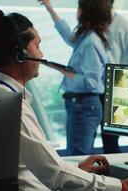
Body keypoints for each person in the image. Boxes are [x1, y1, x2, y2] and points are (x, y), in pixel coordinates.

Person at [0, 7, 128, 191]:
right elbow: (55, 174)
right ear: (21, 54)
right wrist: (124, 185)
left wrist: (77, 169)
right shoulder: (12, 106)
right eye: (38, 45)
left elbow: (41, 164)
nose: (42, 54)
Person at [39, 0, 110, 156]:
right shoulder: (86, 37)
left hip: (84, 105)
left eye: (80, 8)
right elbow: (67, 35)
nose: (77, 12)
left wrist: (62, 70)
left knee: (78, 157)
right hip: (80, 105)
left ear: (86, 12)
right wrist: (50, 9)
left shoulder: (91, 41)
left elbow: (90, 82)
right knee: (78, 154)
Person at [101, 0, 128, 154]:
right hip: (96, 91)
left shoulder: (126, 27)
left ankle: (115, 177)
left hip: (115, 92)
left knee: (110, 142)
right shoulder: (93, 26)